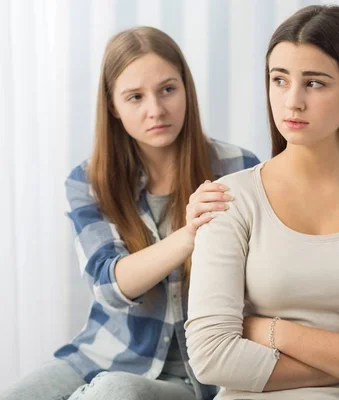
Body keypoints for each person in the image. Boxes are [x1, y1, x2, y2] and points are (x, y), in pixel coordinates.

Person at [183, 5, 339, 399]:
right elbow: (210, 357)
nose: (292, 102)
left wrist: (271, 330)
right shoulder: (229, 199)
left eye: (315, 83)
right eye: (279, 80)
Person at [0, 26, 259, 400]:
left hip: (192, 376)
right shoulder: (89, 181)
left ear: (186, 88)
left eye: (168, 89)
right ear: (112, 106)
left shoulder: (238, 168)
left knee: (114, 392)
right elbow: (109, 284)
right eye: (135, 97)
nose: (156, 110)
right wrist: (189, 235)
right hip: (98, 354)